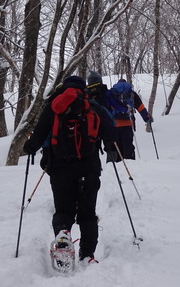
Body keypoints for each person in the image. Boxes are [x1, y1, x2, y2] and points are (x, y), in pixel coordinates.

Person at [23, 75, 116, 264]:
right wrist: (110, 145)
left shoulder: (54, 107)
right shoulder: (93, 107)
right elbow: (111, 132)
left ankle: (64, 235)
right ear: (84, 89)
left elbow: (39, 133)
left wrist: (30, 147)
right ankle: (87, 255)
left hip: (60, 168)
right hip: (89, 167)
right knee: (88, 214)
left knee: (63, 210)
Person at [106, 78, 152, 162]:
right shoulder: (131, 93)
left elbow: (107, 108)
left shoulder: (112, 93)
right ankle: (131, 163)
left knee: (116, 147)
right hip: (128, 124)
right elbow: (140, 107)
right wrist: (147, 118)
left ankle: (115, 165)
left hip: (115, 124)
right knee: (128, 146)